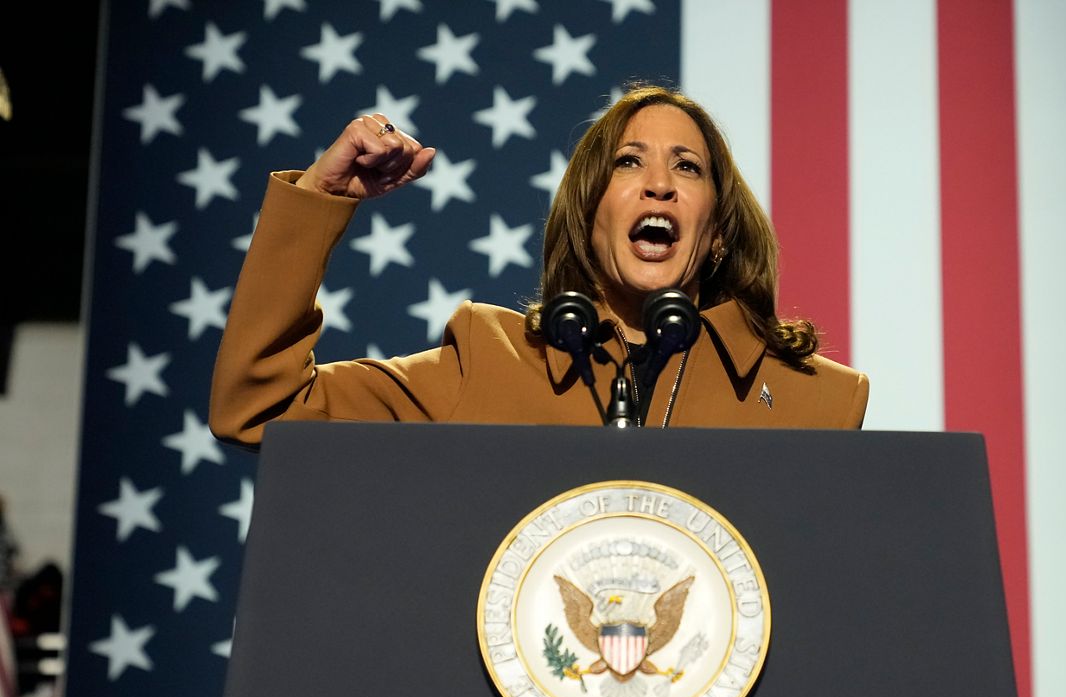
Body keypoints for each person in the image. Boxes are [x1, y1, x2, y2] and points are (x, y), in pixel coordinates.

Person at [209, 84, 869, 447]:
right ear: (587, 218)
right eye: (628, 161)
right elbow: (261, 405)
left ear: (718, 236)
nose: (660, 185)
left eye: (688, 167)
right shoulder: (487, 358)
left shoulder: (818, 402)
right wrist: (318, 203)